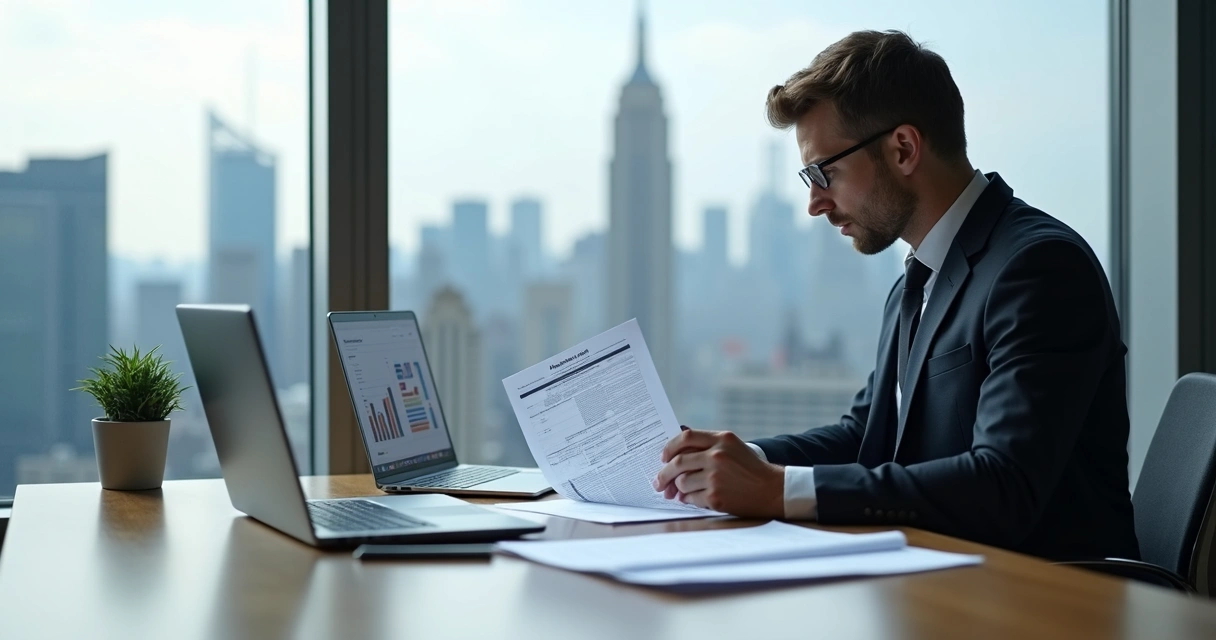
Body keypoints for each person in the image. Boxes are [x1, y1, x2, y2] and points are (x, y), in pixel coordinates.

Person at [653, 30, 1138, 560]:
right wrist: (738, 459)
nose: (814, 203)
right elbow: (867, 434)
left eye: (825, 172)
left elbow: (1005, 484)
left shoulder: (1038, 269)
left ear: (903, 148)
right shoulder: (919, 277)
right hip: (946, 579)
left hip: (1049, 598)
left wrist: (776, 489)